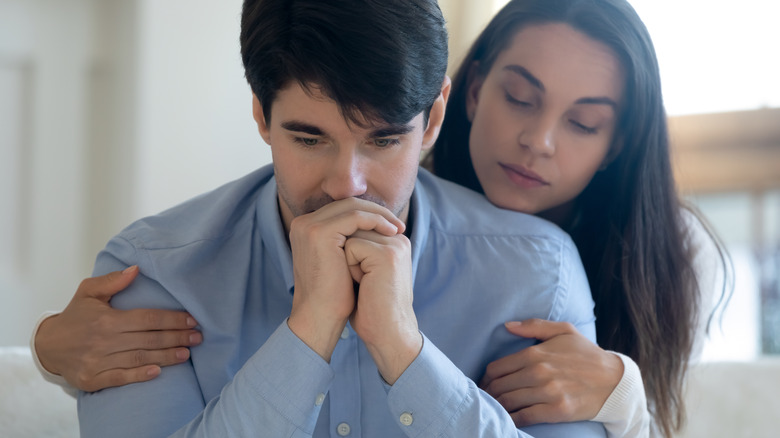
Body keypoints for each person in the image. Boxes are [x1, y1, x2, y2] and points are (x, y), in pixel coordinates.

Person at [32, 0, 730, 436]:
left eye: (384, 139)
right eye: (308, 139)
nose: (349, 183)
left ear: (432, 120)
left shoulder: (541, 266)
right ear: (259, 116)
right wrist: (309, 331)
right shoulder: (160, 269)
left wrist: (403, 347)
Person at [424, 0, 731, 437]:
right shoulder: (404, 209)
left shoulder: (676, 254)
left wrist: (622, 392)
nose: (539, 141)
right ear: (473, 91)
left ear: (615, 146)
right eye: (519, 98)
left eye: (583, 123)